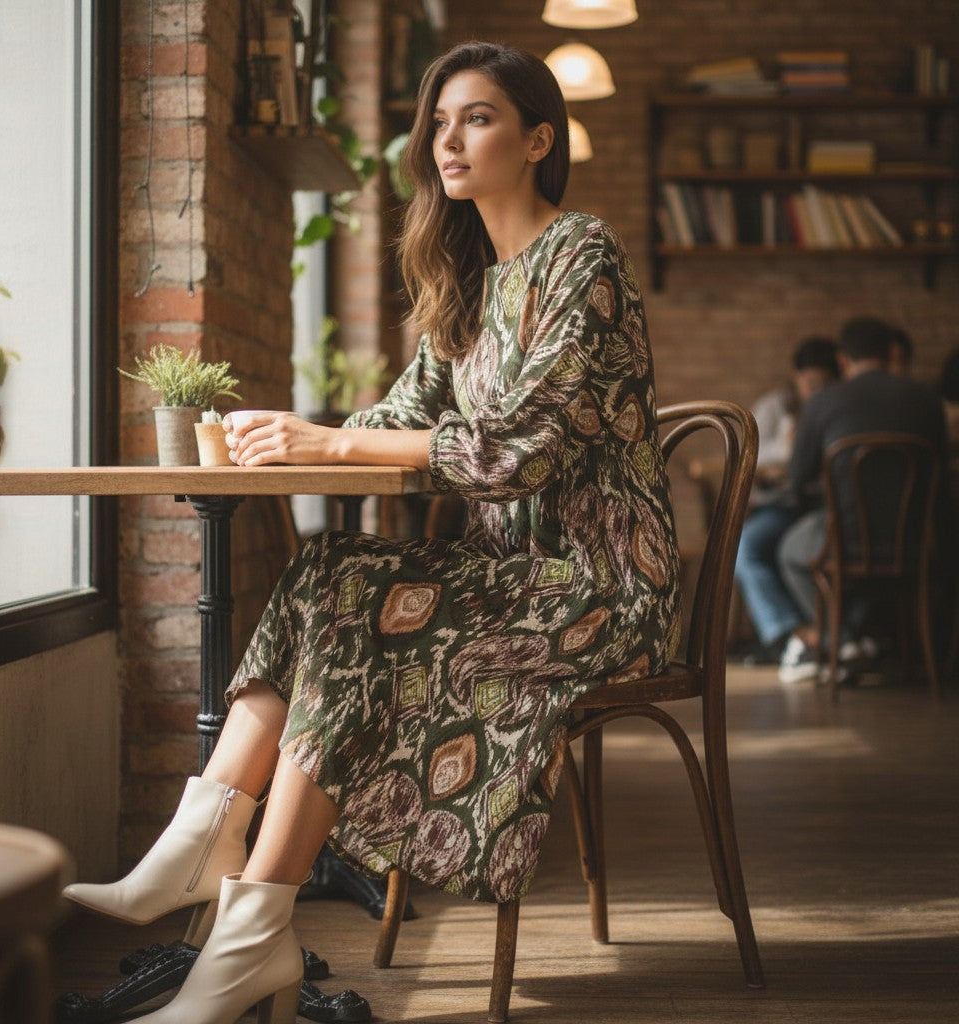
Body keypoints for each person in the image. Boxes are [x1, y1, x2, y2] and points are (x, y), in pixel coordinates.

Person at [62, 41, 680, 1024]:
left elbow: (519, 451)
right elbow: (399, 422)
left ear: (537, 141)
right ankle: (217, 857)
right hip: (507, 576)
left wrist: (330, 444)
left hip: (598, 591)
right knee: (331, 569)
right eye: (437, 121)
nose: (446, 139)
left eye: (474, 117)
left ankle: (235, 912)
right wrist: (292, 430)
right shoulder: (474, 281)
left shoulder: (580, 257)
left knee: (348, 592)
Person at [776, 316, 948, 685]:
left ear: (842, 360)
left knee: (789, 551)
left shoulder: (825, 400)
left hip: (843, 540)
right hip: (917, 542)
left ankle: (839, 641)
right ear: (890, 354)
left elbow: (797, 475)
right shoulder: (927, 401)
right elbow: (941, 469)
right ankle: (853, 639)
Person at [733, 336, 839, 664]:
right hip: (780, 506)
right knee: (744, 548)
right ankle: (792, 633)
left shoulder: (835, 407)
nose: (816, 391)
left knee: (795, 550)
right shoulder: (774, 407)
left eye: (824, 384)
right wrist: (784, 451)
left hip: (823, 507)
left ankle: (824, 637)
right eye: (811, 383)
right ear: (796, 375)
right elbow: (746, 457)